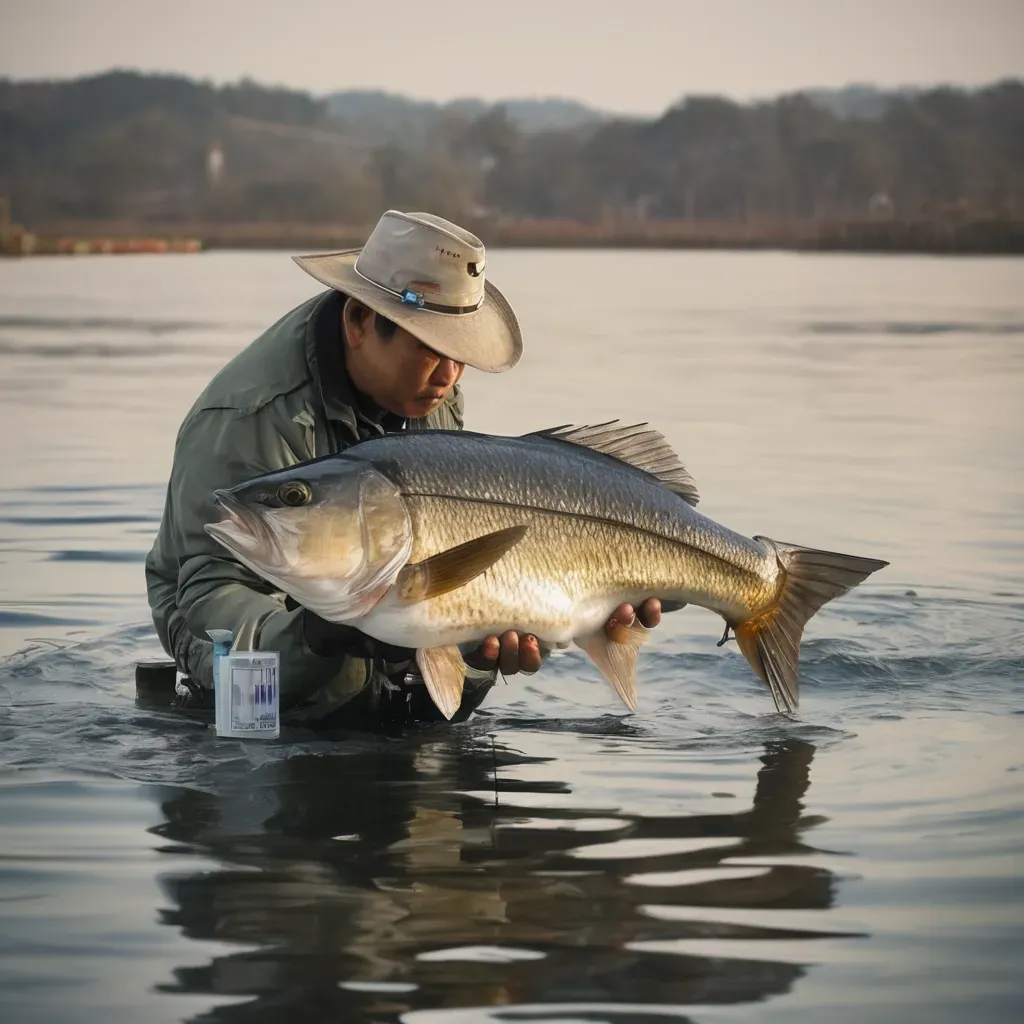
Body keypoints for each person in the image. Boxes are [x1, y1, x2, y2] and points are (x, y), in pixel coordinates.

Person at [145, 210, 663, 727]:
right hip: (265, 714)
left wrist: (476, 655)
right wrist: (318, 637)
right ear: (357, 322)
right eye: (430, 347)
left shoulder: (429, 386)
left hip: (397, 690)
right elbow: (208, 611)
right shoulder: (246, 420)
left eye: (461, 352)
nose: (450, 375)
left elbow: (452, 579)